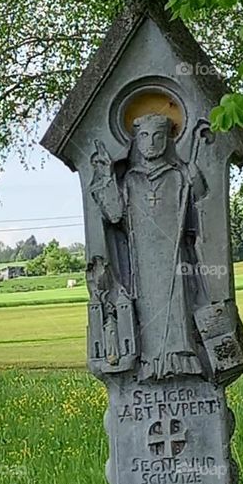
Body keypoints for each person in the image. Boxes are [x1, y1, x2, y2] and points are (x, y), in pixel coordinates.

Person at [89, 113, 207, 380]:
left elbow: (199, 213)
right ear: (136, 141)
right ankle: (151, 362)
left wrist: (195, 179)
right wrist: (106, 174)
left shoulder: (178, 176)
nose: (151, 143)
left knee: (177, 304)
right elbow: (115, 214)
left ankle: (181, 361)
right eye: (144, 136)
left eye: (158, 136)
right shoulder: (130, 180)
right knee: (146, 307)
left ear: (168, 140)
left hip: (174, 255)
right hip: (141, 258)